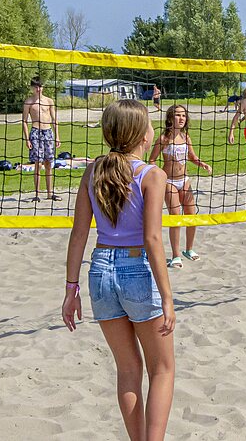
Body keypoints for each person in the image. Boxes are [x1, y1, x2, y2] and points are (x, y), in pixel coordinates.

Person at [62, 99, 175, 440]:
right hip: (136, 267)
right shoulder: (152, 174)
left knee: (128, 370)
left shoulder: (93, 170)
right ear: (141, 134)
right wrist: (168, 297)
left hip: (100, 271)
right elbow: (153, 239)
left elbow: (79, 233)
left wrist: (71, 289)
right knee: (162, 370)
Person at [149, 105, 212, 268]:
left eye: (184, 115)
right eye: (178, 115)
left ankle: (189, 249)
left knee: (191, 214)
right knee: (175, 216)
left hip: (184, 180)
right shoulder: (163, 138)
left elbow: (192, 156)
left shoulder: (185, 137)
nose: (182, 118)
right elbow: (152, 160)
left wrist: (202, 164)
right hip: (168, 182)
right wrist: (158, 175)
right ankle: (176, 255)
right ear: (170, 118)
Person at [22, 76, 62, 202]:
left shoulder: (49, 101)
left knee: (49, 163)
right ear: (32, 88)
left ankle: (50, 193)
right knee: (38, 164)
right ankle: (37, 194)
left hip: (48, 132)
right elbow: (24, 121)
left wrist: (57, 137)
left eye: (39, 87)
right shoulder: (28, 102)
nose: (38, 89)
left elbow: (55, 120)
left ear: (42, 87)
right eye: (35, 87)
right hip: (35, 133)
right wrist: (27, 139)